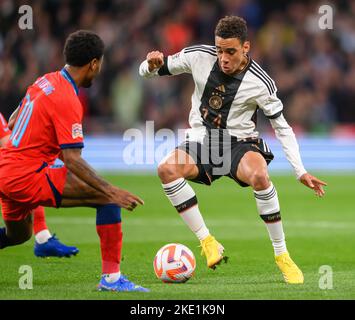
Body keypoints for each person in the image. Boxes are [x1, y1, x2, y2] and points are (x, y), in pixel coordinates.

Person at [139, 16, 327, 284]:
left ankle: (282, 255)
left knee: (260, 176)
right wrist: (149, 65)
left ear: (246, 48)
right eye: (219, 50)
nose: (223, 58)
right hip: (202, 140)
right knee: (167, 169)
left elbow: (283, 128)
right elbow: (147, 72)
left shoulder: (262, 83)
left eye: (230, 51)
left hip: (240, 143)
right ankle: (207, 241)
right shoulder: (197, 56)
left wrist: (300, 171)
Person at [0, 30, 148, 292]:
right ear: (94, 63)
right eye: (99, 64)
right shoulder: (67, 97)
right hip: (26, 174)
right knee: (107, 200)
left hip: (5, 167)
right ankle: (112, 280)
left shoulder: (45, 80)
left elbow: (12, 122)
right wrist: (111, 189)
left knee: (18, 235)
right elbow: (72, 160)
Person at [0, 112, 79, 258]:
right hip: (8, 172)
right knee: (30, 175)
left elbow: (6, 140)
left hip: (6, 171)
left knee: (20, 235)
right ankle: (43, 238)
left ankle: (42, 238)